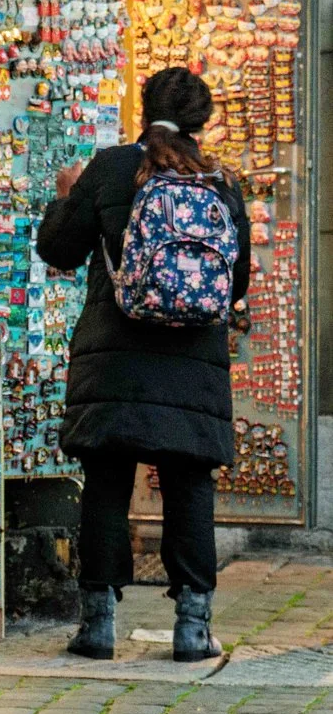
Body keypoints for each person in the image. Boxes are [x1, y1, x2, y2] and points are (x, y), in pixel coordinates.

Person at [38, 66, 249, 662]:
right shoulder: (221, 181)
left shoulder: (109, 167)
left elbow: (58, 250)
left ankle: (99, 625)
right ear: (202, 121)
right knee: (189, 484)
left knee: (106, 481)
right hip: (192, 364)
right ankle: (192, 626)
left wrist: (63, 197)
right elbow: (235, 284)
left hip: (115, 358)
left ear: (143, 106)